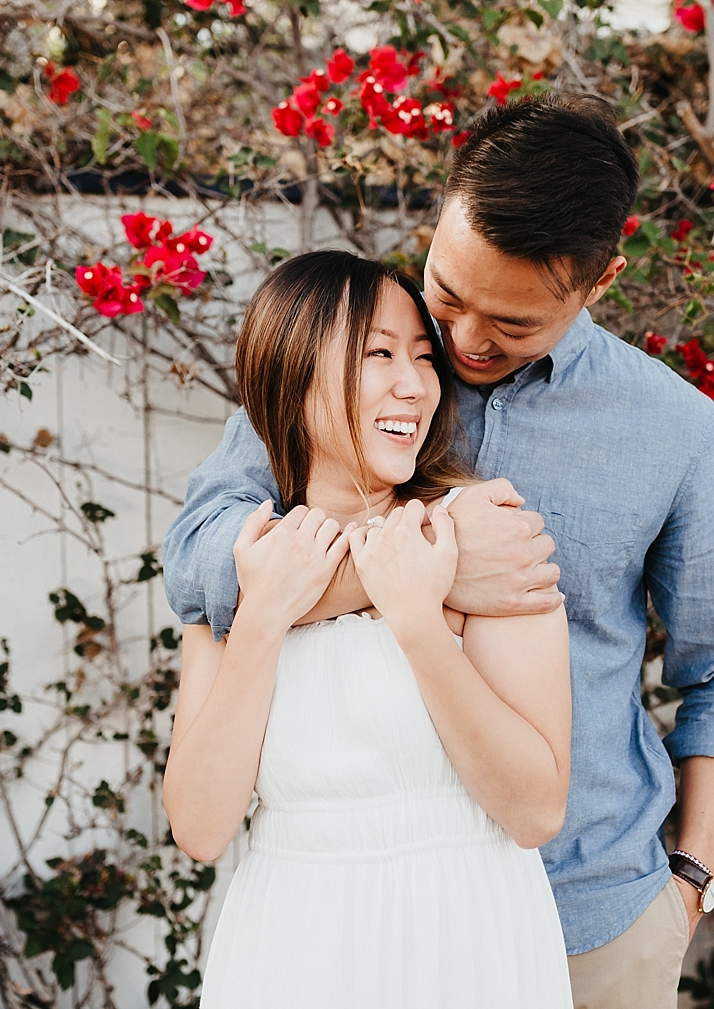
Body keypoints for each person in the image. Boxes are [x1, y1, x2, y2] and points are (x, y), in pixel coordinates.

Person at [162, 92, 714, 1008]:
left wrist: (687, 882)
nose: (458, 345)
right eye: (447, 295)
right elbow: (204, 567)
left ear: (596, 284)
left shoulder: (675, 430)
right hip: (332, 934)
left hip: (595, 907)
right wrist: (406, 567)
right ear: (439, 215)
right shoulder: (346, 364)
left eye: (513, 323)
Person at [161, 250, 575, 1007]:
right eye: (378, 354)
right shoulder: (241, 567)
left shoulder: (479, 536)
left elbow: (535, 809)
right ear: (292, 372)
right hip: (293, 945)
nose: (414, 384)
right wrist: (261, 619)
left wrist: (417, 618)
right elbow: (200, 826)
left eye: (422, 358)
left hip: (462, 938)